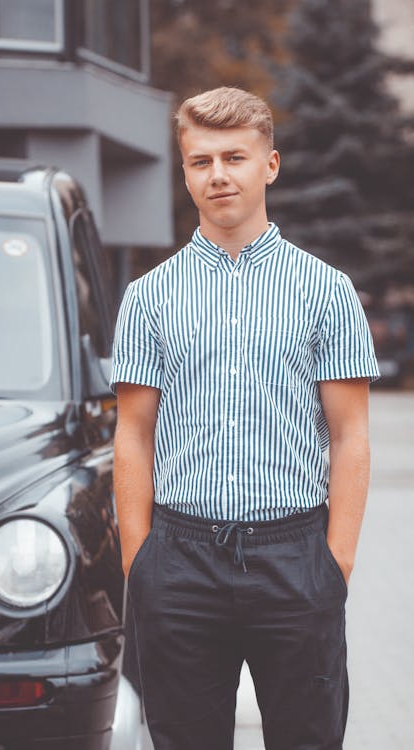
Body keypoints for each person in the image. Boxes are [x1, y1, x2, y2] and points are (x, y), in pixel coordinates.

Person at [110, 86, 379, 750]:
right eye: (200, 161)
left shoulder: (326, 291)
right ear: (185, 172)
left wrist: (334, 564)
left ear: (271, 164)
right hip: (178, 562)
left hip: (295, 558)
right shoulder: (148, 298)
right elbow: (133, 435)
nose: (218, 175)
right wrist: (140, 566)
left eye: (234, 156)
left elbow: (350, 436)